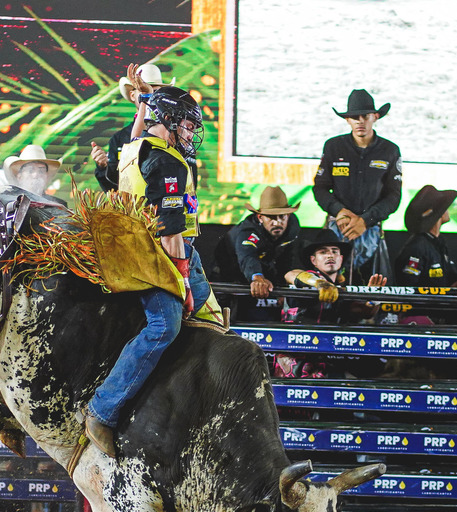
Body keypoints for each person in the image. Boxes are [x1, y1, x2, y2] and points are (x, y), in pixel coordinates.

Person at [83, 82, 211, 456]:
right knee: (164, 326)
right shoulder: (168, 162)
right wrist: (181, 282)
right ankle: (102, 410)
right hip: (153, 255)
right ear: (168, 120)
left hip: (144, 246)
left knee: (204, 300)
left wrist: (142, 103)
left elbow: (138, 133)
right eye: (188, 125)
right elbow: (170, 232)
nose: (190, 133)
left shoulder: (134, 146)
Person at [312, 89, 402, 282]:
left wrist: (366, 220)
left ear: (375, 117)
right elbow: (320, 187)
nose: (360, 121)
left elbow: (394, 196)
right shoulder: (333, 146)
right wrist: (339, 211)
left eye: (365, 116)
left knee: (372, 286)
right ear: (347, 120)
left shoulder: (390, 150)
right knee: (330, 285)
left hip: (371, 230)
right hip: (337, 226)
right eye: (354, 117)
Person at [278, 229, 387, 380]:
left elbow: (364, 312)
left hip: (327, 363)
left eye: (334, 251)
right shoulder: (307, 279)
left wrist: (373, 298)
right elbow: (291, 274)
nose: (330, 255)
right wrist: (319, 283)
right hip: (296, 364)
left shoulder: (341, 289)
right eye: (323, 252)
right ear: (313, 260)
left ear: (341, 259)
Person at [214, 185, 303, 322]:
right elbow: (247, 257)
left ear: (289, 215)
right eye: (271, 217)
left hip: (264, 271)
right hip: (228, 274)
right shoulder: (247, 231)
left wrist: (282, 288)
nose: (277, 222)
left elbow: (287, 260)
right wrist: (257, 277)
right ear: (260, 217)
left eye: (282, 216)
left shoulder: (292, 228)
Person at [91, 63, 164, 192]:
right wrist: (103, 167)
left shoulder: (174, 132)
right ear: (132, 95)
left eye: (155, 91)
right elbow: (113, 188)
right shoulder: (119, 139)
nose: (150, 95)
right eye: (143, 90)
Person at [393, 185, 457, 289]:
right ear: (439, 213)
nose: (448, 210)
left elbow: (452, 278)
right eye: (445, 207)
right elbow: (408, 288)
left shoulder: (439, 243)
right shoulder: (417, 248)